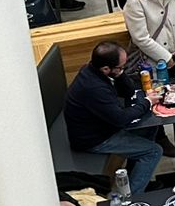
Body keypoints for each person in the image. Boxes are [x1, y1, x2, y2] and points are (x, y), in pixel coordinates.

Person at [64, 40, 165, 192]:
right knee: (153, 151)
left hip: (103, 125)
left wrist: (120, 73)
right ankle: (133, 198)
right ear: (106, 69)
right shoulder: (94, 88)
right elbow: (120, 119)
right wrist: (147, 102)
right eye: (121, 67)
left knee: (150, 126)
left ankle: (135, 180)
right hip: (94, 139)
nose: (123, 69)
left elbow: (128, 91)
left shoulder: (93, 70)